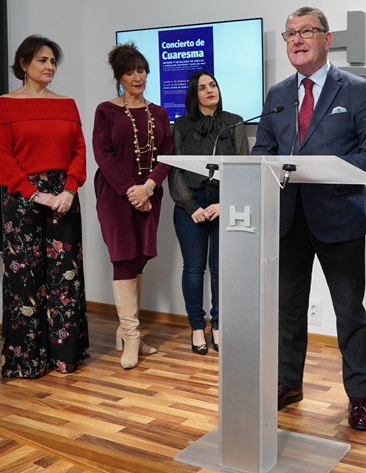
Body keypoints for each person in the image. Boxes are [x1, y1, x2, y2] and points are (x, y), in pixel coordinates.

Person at [251, 6, 366, 431]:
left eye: (306, 31)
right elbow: (262, 152)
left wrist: (329, 166)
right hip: (288, 219)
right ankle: (289, 383)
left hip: (340, 220)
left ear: (327, 39)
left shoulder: (355, 90)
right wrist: (263, 165)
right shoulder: (277, 95)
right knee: (289, 312)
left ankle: (359, 397)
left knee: (349, 313)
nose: (296, 39)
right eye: (290, 33)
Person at [0, 35, 89, 378]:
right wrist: (34, 193)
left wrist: (68, 189)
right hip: (21, 197)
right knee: (23, 280)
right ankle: (26, 362)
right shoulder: (5, 104)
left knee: (64, 278)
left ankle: (65, 357)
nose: (50, 67)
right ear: (24, 64)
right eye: (42, 60)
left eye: (53, 61)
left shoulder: (66, 104)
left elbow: (79, 151)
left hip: (63, 197)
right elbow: (3, 157)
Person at [93, 43, 173, 370]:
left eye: (141, 70)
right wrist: (131, 190)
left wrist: (149, 187)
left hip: (150, 195)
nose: (137, 76)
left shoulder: (159, 113)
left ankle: (127, 332)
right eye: (129, 71)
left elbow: (167, 154)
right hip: (115, 195)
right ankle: (132, 335)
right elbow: (103, 155)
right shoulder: (106, 111)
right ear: (119, 76)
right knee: (123, 257)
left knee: (140, 257)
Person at [169, 70, 248, 355]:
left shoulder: (234, 122)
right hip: (189, 204)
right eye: (202, 88)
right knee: (193, 269)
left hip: (222, 203)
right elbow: (175, 169)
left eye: (213, 84)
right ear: (194, 94)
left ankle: (218, 326)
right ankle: (196, 328)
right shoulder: (181, 125)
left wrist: (224, 203)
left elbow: (243, 168)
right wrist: (192, 206)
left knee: (220, 269)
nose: (209, 90)